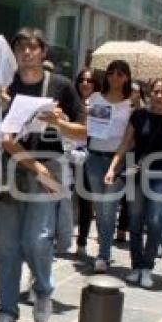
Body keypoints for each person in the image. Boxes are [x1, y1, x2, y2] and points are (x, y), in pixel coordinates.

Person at [0, 27, 86, 322]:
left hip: (51, 168)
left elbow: (82, 132)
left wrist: (58, 122)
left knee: (37, 239)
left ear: (44, 51)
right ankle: (6, 310)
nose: (27, 52)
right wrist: (0, 108)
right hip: (13, 169)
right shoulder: (6, 86)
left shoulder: (61, 86)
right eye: (21, 47)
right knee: (7, 245)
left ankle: (43, 289)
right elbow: (3, 138)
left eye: (33, 47)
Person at [105, 79, 162, 289]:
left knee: (157, 219)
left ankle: (147, 266)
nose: (158, 96)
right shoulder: (138, 116)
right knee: (134, 219)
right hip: (137, 172)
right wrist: (113, 167)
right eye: (155, 92)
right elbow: (125, 144)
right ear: (149, 94)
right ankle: (136, 265)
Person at [83, 60, 134, 273]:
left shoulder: (132, 104)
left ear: (127, 78)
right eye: (111, 72)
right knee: (100, 207)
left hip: (119, 159)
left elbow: (132, 137)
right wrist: (85, 113)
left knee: (108, 207)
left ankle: (103, 253)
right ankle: (104, 250)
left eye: (120, 73)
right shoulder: (94, 98)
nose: (115, 77)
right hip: (94, 157)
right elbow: (83, 127)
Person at [72, 68, 99, 257]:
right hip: (67, 154)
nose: (85, 83)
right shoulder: (70, 100)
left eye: (89, 80)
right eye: (82, 79)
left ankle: (82, 241)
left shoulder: (100, 103)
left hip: (89, 156)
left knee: (85, 200)